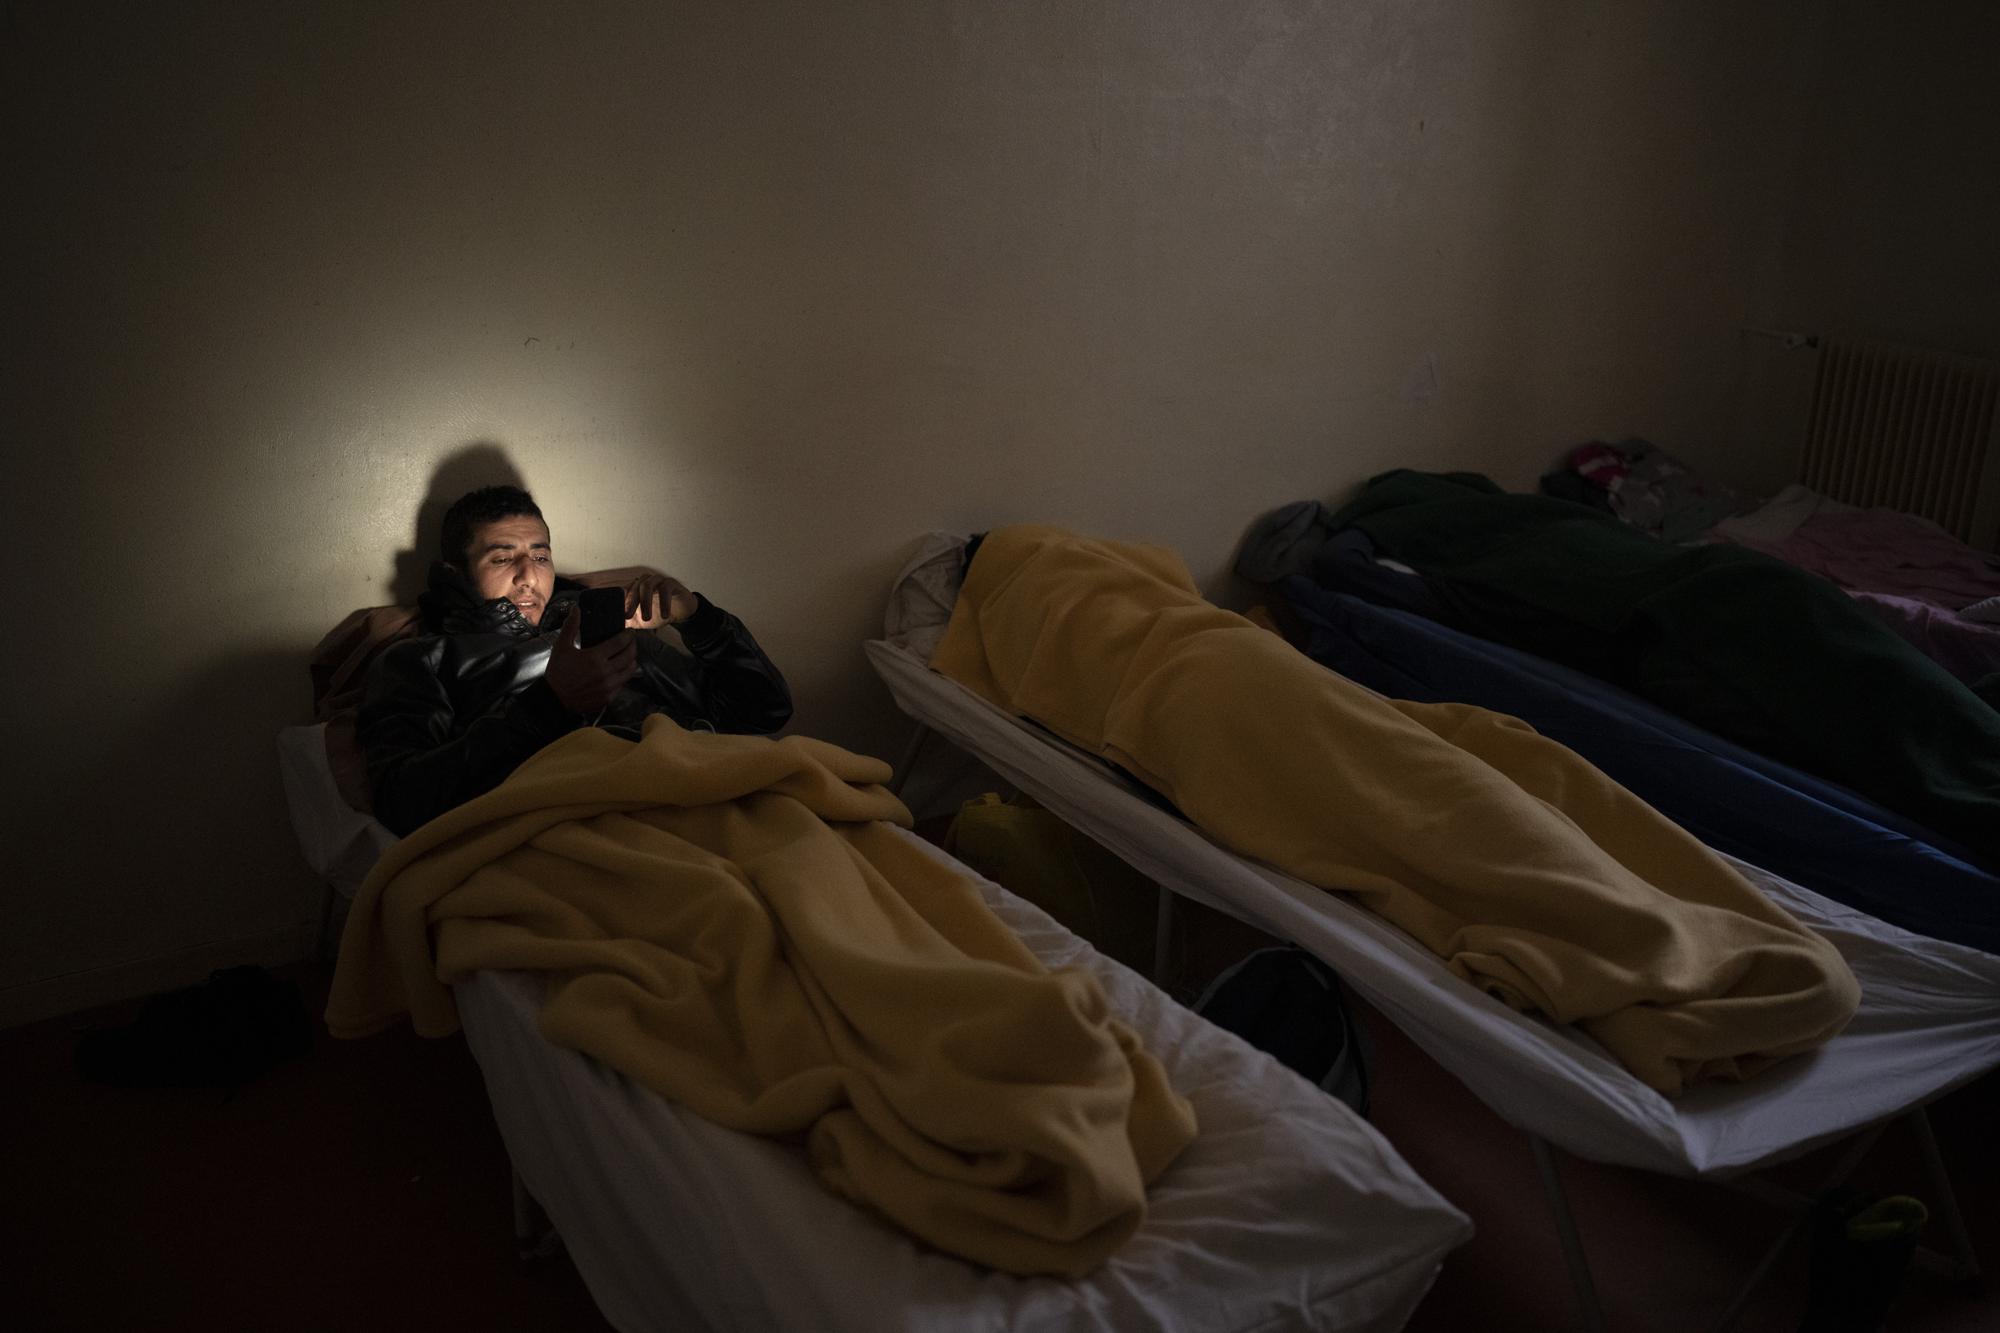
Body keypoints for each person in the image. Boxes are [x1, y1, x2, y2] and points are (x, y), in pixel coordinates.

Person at [358, 485, 792, 835]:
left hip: (694, 804)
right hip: (562, 832)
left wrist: (700, 620)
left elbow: (761, 713)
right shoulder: (422, 660)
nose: (530, 576)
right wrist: (549, 704)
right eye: (503, 557)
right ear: (456, 574)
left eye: (541, 556)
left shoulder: (608, 633)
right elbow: (402, 803)